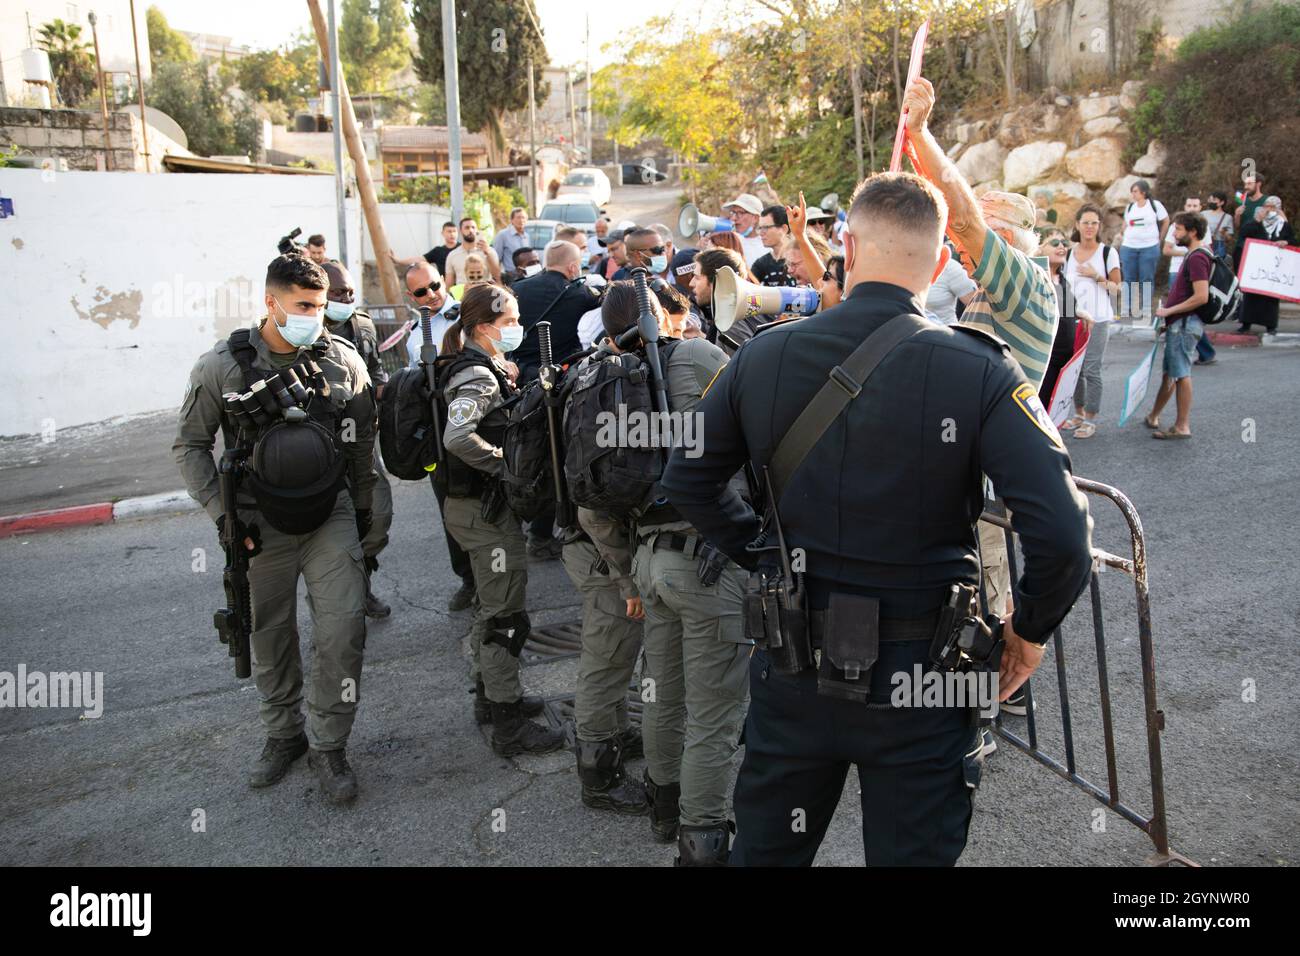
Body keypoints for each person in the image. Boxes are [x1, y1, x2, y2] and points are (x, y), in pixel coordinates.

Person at [660, 170, 1094, 867]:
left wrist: (765, 557)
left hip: (793, 665)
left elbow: (687, 476)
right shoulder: (980, 369)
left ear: (849, 251)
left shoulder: (765, 352)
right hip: (922, 679)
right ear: (942, 261)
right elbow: (1063, 531)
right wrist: (1028, 632)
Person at [173, 254, 380, 803]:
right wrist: (224, 518)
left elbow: (361, 451)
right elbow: (190, 446)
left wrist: (367, 520)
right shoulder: (224, 365)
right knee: (269, 634)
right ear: (272, 302)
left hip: (328, 517)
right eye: (304, 306)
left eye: (320, 305)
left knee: (343, 629)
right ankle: (283, 735)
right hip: (256, 522)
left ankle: (329, 743)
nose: (316, 315)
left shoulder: (342, 360)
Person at [899, 76, 1063, 734]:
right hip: (963, 473)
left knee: (982, 587)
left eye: (984, 232)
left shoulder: (1025, 284)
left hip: (988, 481)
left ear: (1015, 238)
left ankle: (982, 713)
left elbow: (958, 216)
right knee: (962, 586)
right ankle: (981, 697)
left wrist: (920, 134)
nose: (966, 243)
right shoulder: (981, 299)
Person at [595, 279, 748, 864]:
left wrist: (626, 576)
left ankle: (663, 805)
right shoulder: (700, 356)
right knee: (714, 712)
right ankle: (702, 837)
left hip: (649, 559)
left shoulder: (603, 384)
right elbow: (758, 435)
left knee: (660, 693)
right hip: (709, 558)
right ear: (663, 316)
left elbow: (591, 500)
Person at [436, 283, 564, 756]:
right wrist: (506, 468)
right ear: (485, 328)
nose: (516, 328)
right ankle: (508, 724)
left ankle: (492, 697)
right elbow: (457, 437)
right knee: (505, 615)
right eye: (509, 322)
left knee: (495, 607)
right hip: (483, 513)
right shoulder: (478, 377)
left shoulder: (479, 366)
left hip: (477, 508)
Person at [511, 239, 604, 558]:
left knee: (535, 451)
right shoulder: (579, 294)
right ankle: (575, 528)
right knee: (567, 451)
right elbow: (606, 302)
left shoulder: (519, 288)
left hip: (522, 381)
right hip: (562, 383)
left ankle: (538, 532)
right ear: (573, 267)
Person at [401, 262, 476, 613]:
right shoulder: (415, 333)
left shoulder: (470, 312)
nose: (432, 294)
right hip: (438, 428)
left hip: (476, 422)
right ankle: (467, 579)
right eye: (422, 292)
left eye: (434, 285)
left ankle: (497, 577)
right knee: (450, 506)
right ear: (410, 296)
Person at [320, 260, 393, 618]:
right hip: (323, 445)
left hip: (364, 438)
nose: (346, 298)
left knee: (377, 515)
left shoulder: (362, 324)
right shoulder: (305, 330)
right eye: (337, 293)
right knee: (333, 524)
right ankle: (344, 598)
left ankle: (363, 575)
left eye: (349, 291)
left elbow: (376, 368)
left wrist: (383, 388)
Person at [1145, 212, 1211, 439]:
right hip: (1179, 323)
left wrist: (1169, 311)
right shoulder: (1194, 255)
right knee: (1171, 373)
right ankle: (1153, 415)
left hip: (1184, 324)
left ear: (1192, 231)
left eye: (1179, 229)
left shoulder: (1197, 258)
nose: (1174, 233)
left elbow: (1201, 296)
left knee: (1181, 374)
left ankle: (1182, 426)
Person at [1062, 204, 1122, 437]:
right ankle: (1078, 414)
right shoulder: (1068, 253)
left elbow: (1117, 288)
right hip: (1073, 319)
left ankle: (1091, 418)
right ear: (1077, 225)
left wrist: (1096, 276)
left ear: (1099, 226)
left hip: (1098, 318)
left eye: (1094, 223)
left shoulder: (1107, 253)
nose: (1089, 227)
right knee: (1074, 369)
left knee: (1091, 369)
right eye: (1085, 222)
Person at [1037, 227, 1093, 407]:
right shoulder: (1035, 276)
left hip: (1064, 361)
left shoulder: (1062, 279)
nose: (1061, 247)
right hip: (1045, 361)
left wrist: (1080, 312)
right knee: (1041, 410)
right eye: (1055, 243)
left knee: (1054, 411)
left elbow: (1066, 308)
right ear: (1039, 248)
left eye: (1065, 243)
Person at [1234, 195, 1295, 335]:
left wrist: (1285, 242)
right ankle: (1246, 324)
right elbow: (1244, 233)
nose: (1270, 210)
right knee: (1250, 295)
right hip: (1256, 264)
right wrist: (1257, 220)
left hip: (1273, 267)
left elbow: (1292, 239)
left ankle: (1270, 326)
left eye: (1273, 207)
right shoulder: (1256, 220)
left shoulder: (1282, 224)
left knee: (1270, 296)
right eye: (1267, 206)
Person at [1118, 179, 1169, 320]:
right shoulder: (1130, 207)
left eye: (1135, 191)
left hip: (1149, 247)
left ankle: (1145, 308)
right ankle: (1128, 308)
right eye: (1132, 192)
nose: (1133, 194)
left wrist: (1161, 238)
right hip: (1129, 247)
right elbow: (1125, 225)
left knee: (1146, 278)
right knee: (1129, 278)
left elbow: (1165, 221)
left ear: (1143, 192)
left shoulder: (1154, 205)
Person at [688, 246, 757, 350]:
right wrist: (701, 337)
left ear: (717, 282)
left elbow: (740, 363)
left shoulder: (731, 322)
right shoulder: (731, 314)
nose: (691, 283)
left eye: (697, 278)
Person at [444, 217, 502, 287]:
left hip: (484, 293)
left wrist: (488, 253)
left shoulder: (489, 251)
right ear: (460, 231)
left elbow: (497, 276)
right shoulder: (452, 255)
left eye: (473, 227)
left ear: (477, 230)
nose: (471, 230)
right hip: (462, 295)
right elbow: (449, 283)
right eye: (467, 228)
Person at [752, 205, 797, 286]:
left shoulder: (800, 261)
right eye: (760, 228)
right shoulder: (760, 264)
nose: (761, 233)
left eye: (765, 227)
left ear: (784, 229)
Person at [390, 221, 458, 274]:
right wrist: (398, 261)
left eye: (454, 231)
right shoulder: (438, 251)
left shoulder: (462, 248)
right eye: (449, 231)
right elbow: (418, 259)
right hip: (446, 287)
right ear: (442, 233)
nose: (452, 234)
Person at [722, 193, 766, 267]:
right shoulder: (728, 241)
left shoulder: (767, 246)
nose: (734, 218)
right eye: (733, 212)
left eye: (740, 213)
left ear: (755, 218)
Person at [1204, 190, 1234, 260]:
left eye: (1214, 200)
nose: (1212, 202)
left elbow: (1229, 238)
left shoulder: (1227, 217)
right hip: (1204, 244)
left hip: (1219, 246)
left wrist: (1224, 233)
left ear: (1222, 202)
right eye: (1210, 199)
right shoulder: (1203, 214)